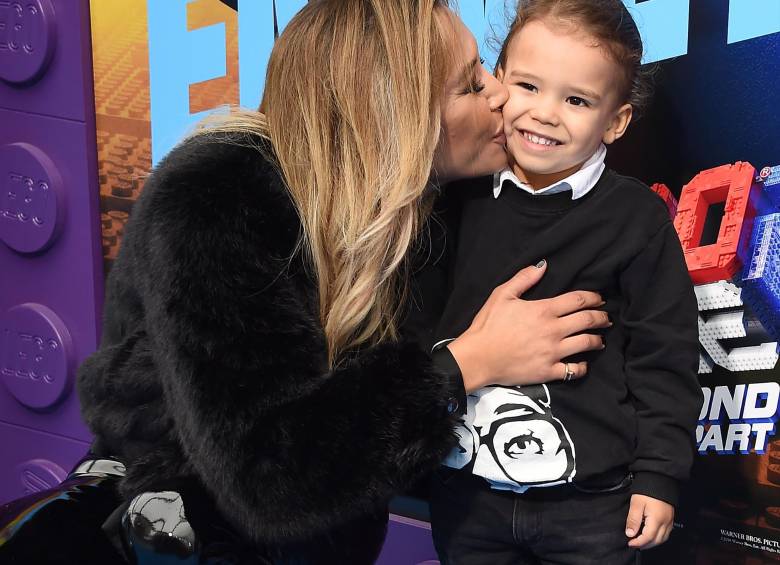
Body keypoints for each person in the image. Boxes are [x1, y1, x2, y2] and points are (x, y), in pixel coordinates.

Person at [0, 1, 609, 564]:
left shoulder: (435, 208)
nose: (503, 96)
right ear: (392, 115)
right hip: (179, 534)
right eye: (471, 84)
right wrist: (467, 364)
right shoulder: (221, 199)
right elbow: (269, 476)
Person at [424, 1, 703, 563]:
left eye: (576, 100)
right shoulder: (453, 198)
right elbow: (413, 325)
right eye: (528, 85)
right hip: (465, 495)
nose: (545, 113)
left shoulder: (636, 219)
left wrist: (657, 476)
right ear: (498, 82)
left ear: (616, 121)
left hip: (593, 502)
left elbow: (664, 355)